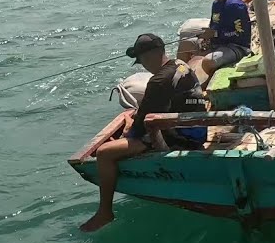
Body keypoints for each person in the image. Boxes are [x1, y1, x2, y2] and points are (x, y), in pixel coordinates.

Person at [80, 33, 207, 232]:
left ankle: (105, 212)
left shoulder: (158, 81)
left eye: (142, 60)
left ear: (152, 55)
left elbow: (138, 129)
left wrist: (128, 131)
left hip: (180, 137)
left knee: (105, 153)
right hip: (198, 130)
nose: (143, 65)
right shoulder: (182, 65)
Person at [198, 0, 252, 75]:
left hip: (237, 47)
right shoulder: (216, 4)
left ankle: (210, 82)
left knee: (208, 61)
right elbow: (213, 25)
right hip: (218, 44)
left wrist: (215, 34)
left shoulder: (235, 6)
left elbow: (240, 34)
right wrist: (205, 38)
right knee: (188, 44)